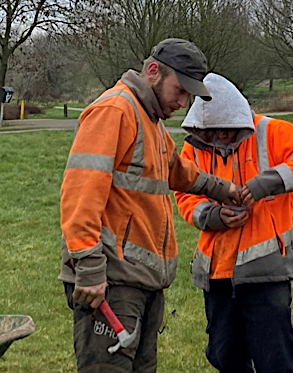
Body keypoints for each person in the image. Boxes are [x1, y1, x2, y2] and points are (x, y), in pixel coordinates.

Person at [59, 39, 245, 373]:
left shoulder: (151, 121)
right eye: (180, 90)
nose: (184, 101)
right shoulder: (114, 111)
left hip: (142, 280)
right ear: (153, 71)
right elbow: (80, 194)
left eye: (189, 94)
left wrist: (222, 188)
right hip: (112, 280)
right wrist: (88, 269)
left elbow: (176, 169)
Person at [175, 73, 293, 373]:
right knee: (223, 355)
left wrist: (265, 183)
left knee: (276, 361)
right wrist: (213, 217)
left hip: (266, 271)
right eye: (211, 132)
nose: (218, 138)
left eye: (224, 131)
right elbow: (184, 194)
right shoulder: (193, 146)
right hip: (216, 271)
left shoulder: (271, 132)